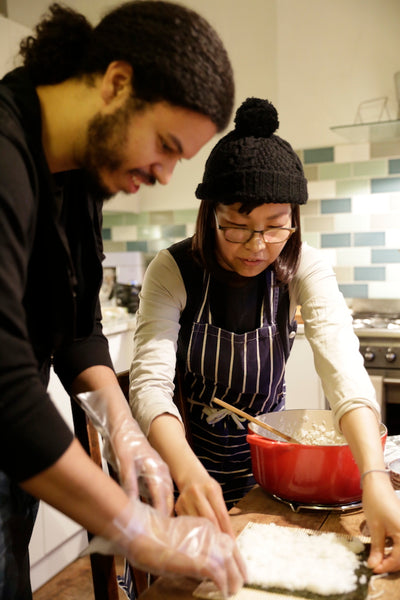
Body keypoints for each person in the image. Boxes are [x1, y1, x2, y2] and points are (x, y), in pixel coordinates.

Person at [0, 2, 247, 598]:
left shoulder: (77, 175)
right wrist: (133, 526)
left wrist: (120, 423)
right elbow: (2, 377)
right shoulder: (5, 156)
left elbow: (77, 329)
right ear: (116, 83)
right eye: (164, 145)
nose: (164, 175)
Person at [130, 97, 400, 576]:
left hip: (267, 471)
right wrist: (188, 474)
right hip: (180, 462)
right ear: (209, 215)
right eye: (236, 229)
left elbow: (343, 371)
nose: (257, 247)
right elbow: (150, 386)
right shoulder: (173, 271)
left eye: (275, 229)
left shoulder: (304, 266)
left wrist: (374, 479)